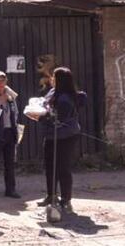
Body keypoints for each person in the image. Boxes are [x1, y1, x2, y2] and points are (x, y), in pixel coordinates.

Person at [35, 67, 87, 213]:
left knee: (63, 168)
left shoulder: (66, 98)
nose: (52, 79)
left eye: (54, 77)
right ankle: (51, 196)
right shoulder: (53, 92)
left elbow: (58, 119)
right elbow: (45, 105)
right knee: (50, 167)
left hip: (66, 136)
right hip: (51, 135)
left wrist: (40, 117)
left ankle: (66, 200)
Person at [0, 71, 21, 199]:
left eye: (3, 81)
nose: (1, 83)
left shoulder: (10, 95)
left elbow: (15, 112)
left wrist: (15, 127)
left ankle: (10, 189)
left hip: (9, 131)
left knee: (10, 163)